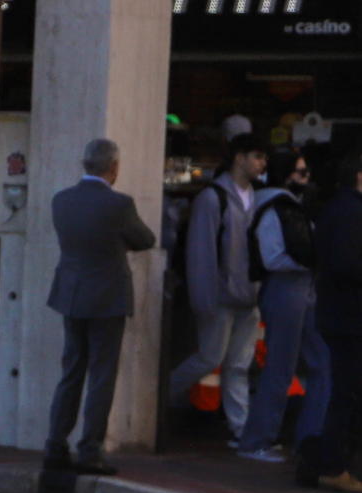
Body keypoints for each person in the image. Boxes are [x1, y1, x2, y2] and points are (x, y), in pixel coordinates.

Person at [44, 138, 159, 474]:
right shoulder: (119, 205)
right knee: (101, 376)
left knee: (71, 372)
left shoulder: (61, 201)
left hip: (71, 293)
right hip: (107, 298)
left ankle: (55, 444)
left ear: (85, 164)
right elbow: (146, 239)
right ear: (114, 167)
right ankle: (89, 450)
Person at [168, 133, 268, 439]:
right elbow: (201, 252)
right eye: (257, 156)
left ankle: (241, 429)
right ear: (239, 158)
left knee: (237, 364)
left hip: (248, 296)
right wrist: (203, 297)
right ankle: (161, 397)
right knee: (212, 358)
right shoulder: (214, 198)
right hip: (223, 296)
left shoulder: (255, 197)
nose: (263, 163)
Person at [238, 147, 319, 461]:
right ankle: (258, 440)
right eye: (301, 172)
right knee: (284, 366)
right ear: (287, 175)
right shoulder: (276, 206)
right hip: (287, 286)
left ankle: (304, 439)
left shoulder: (277, 204)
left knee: (309, 363)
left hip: (293, 286)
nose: (306, 177)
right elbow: (274, 258)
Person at [299, 154, 362, 493]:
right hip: (349, 317)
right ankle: (334, 466)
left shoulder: (338, 208)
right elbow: (344, 264)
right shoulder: (351, 211)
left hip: (340, 315)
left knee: (347, 391)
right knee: (346, 393)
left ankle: (336, 462)